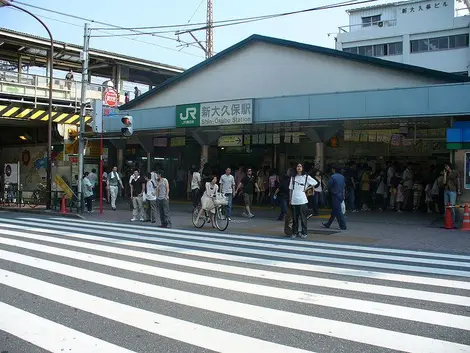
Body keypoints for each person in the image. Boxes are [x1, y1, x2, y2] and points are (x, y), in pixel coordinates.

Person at [289, 163, 319, 239]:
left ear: (302, 168)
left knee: (303, 218)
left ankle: (304, 232)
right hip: (294, 200)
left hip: (303, 200)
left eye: (300, 166)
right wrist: (290, 199)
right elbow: (291, 189)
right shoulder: (293, 177)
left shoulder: (306, 177)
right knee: (295, 219)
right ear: (296, 168)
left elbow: (315, 183)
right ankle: (294, 232)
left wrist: (307, 188)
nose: (299, 168)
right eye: (298, 166)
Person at [322, 166, 347, 230]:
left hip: (335, 195)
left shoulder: (333, 177)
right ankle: (328, 223)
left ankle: (343, 226)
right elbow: (344, 186)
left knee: (338, 211)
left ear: (334, 170)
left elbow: (329, 185)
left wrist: (325, 189)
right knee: (334, 210)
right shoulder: (342, 177)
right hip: (340, 195)